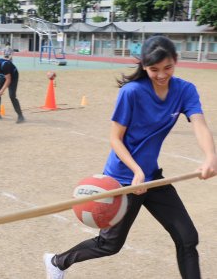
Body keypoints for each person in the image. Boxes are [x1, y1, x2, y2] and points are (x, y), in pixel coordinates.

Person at [43, 36, 217, 279]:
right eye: (154, 69)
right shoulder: (132, 92)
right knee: (109, 245)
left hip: (152, 179)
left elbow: (199, 124)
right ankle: (57, 261)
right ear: (144, 66)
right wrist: (136, 171)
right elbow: (115, 138)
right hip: (123, 179)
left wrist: (211, 156)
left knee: (187, 238)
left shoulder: (185, 90)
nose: (161, 75)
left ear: (175, 62)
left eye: (167, 67)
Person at [0, 54, 24, 124]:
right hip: (3, 75)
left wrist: (2, 91)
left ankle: (20, 116)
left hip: (13, 76)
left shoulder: (4, 65)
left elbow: (8, 79)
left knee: (12, 96)